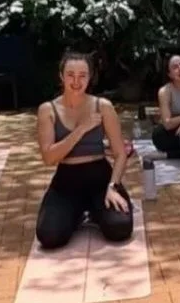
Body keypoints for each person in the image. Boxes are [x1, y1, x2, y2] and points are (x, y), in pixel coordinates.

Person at [34, 51, 133, 250]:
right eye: (71, 75)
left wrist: (113, 186)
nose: (76, 81)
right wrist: (81, 129)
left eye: (83, 75)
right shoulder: (48, 110)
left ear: (90, 77)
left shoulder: (102, 106)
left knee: (120, 228)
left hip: (100, 180)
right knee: (49, 236)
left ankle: (97, 211)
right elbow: (49, 157)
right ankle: (79, 213)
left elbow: (120, 153)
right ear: (61, 76)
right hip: (66, 183)